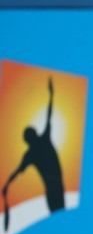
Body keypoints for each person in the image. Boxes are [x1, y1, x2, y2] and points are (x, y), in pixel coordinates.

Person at [3, 77, 65, 217]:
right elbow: (17, 171)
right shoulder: (40, 144)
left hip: (55, 190)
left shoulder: (33, 151)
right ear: (32, 137)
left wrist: (6, 185)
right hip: (55, 190)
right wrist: (51, 95)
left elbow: (16, 172)